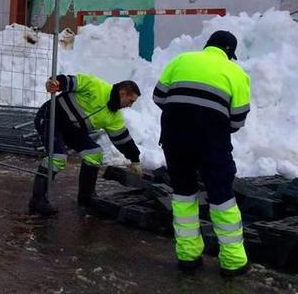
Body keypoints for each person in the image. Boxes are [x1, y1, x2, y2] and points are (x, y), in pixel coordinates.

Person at [153, 30, 251, 276]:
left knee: (184, 195)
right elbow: (237, 120)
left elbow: (158, 97)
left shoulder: (181, 60)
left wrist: (181, 114)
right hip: (211, 144)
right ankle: (233, 262)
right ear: (229, 52)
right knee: (222, 199)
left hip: (174, 140)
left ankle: (187, 256)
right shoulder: (236, 72)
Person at [28, 73, 143, 216]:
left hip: (72, 130)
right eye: (130, 100)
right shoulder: (96, 86)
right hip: (50, 118)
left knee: (94, 153)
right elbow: (71, 81)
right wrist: (56, 83)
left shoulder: (115, 117)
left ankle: (86, 196)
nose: (130, 105)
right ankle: (37, 201)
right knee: (57, 158)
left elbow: (123, 140)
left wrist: (135, 160)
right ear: (122, 93)